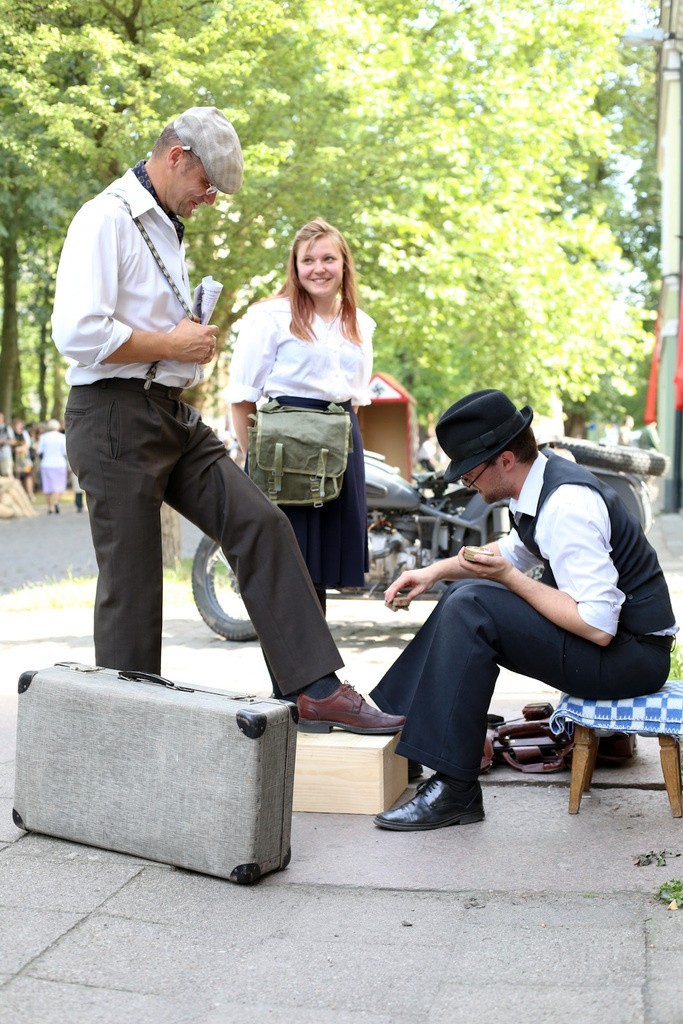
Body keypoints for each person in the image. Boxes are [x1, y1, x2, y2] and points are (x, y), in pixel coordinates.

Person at [51, 106, 403, 737]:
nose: (209, 200)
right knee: (133, 582)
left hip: (168, 412)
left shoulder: (164, 223)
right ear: (177, 156)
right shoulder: (107, 217)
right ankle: (131, 734)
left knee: (261, 522)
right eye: (206, 185)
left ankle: (315, 688)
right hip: (111, 414)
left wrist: (182, 354)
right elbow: (77, 334)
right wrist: (171, 343)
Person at [370, 389, 677, 831]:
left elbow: (598, 626)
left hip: (630, 657)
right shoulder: (540, 483)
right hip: (618, 646)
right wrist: (435, 572)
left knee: (472, 607)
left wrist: (507, 581)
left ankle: (455, 789)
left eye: (469, 472)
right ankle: (406, 733)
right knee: (462, 595)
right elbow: (513, 551)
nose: (465, 483)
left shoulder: (568, 506)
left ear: (506, 459)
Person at [228, 218, 373, 621]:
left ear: (344, 265)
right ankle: (295, 683)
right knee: (287, 573)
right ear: (294, 267)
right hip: (282, 457)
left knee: (320, 574)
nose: (318, 268)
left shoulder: (360, 324)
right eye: (307, 259)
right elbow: (242, 400)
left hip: (338, 453)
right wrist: (257, 467)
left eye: (328, 258)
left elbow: (353, 403)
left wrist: (339, 455)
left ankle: (315, 681)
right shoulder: (270, 317)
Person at [36, 419, 68, 514]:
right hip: (59, 463)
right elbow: (65, 452)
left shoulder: (44, 437)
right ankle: (56, 503)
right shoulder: (62, 437)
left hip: (47, 464)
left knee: (48, 486)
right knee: (59, 485)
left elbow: (39, 451)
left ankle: (50, 506)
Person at [0, 412, 14, 477]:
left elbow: (13, 441)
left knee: (8, 473)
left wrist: (3, 441)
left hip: (5, 454)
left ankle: (12, 487)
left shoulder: (7, 428)